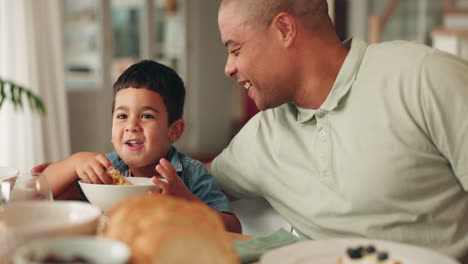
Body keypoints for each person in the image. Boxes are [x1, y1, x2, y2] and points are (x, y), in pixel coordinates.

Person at [207, 0, 468, 261]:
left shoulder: (424, 77)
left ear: (285, 29)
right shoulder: (262, 134)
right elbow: (198, 180)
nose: (228, 68)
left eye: (236, 49)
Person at [38, 60, 241, 233]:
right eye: (122, 116)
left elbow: (233, 229)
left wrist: (187, 202)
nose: (131, 126)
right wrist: (74, 162)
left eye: (146, 116)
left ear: (174, 130)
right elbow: (40, 191)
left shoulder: (190, 174)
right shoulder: (108, 170)